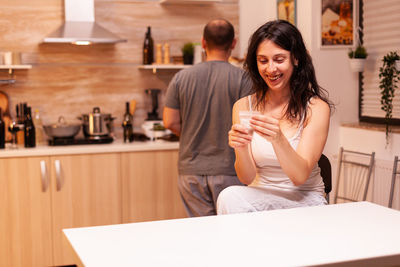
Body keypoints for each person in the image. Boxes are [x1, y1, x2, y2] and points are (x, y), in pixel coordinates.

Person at [217, 20, 334, 215]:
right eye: (263, 61)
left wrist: (278, 139)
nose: (270, 69)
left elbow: (299, 176)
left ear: (295, 59)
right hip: (259, 200)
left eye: (279, 59)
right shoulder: (243, 106)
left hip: (304, 201)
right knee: (229, 196)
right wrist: (241, 146)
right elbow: (246, 178)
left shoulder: (316, 108)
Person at [163, 19, 253, 217]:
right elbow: (249, 124)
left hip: (191, 170)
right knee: (233, 232)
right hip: (231, 169)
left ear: (203, 43)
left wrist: (190, 133)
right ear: (233, 43)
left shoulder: (181, 78)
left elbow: (169, 121)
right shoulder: (244, 78)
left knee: (203, 234)